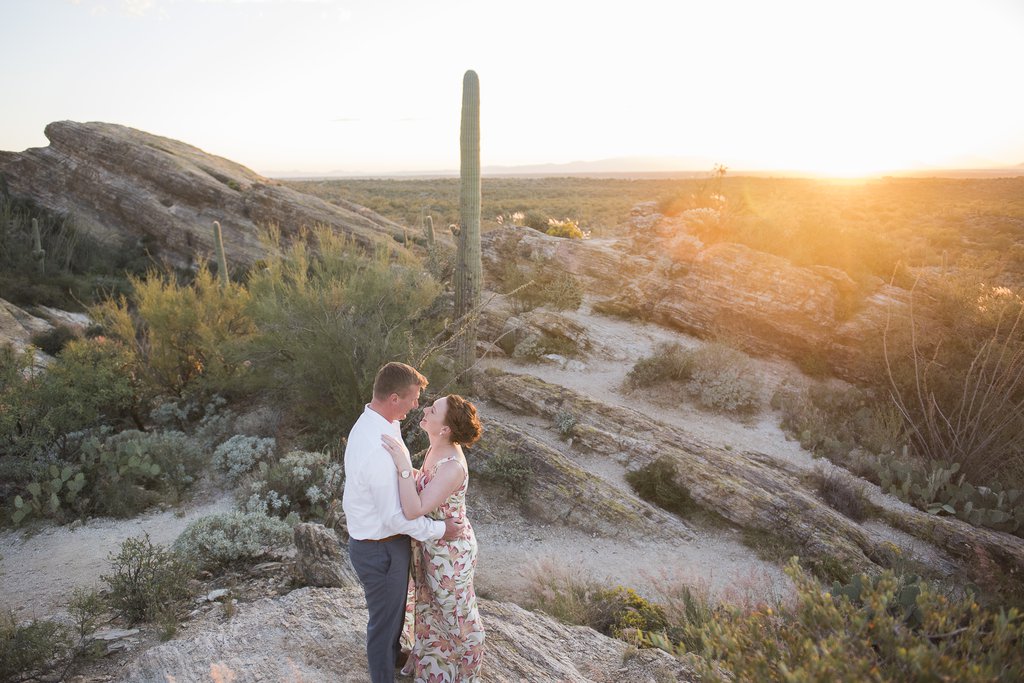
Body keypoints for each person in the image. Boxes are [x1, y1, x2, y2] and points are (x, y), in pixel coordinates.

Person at [343, 362, 465, 683]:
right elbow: (395, 516)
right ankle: (384, 675)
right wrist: (441, 530)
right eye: (412, 398)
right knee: (382, 624)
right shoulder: (373, 447)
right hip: (378, 547)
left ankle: (395, 654)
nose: (416, 405)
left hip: (391, 542)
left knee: (396, 611)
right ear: (394, 398)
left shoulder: (384, 422)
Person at [381, 393, 485, 682]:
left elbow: (414, 509)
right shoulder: (434, 450)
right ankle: (432, 666)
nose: (425, 409)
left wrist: (402, 465)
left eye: (434, 409)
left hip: (451, 554)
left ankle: (467, 673)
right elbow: (423, 485)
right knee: (428, 607)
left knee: (457, 616)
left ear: (445, 429)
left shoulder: (452, 466)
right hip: (433, 546)